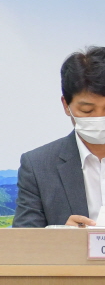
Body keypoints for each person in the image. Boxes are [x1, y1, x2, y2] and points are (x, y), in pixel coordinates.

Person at [15, 46, 105, 228]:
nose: (99, 118)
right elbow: (24, 237)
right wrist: (61, 236)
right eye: (87, 110)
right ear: (66, 105)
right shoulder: (37, 166)